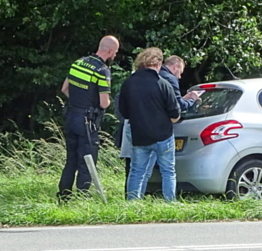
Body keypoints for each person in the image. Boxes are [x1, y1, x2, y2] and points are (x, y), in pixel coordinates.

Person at [58, 36, 119, 200]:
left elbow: (65, 89)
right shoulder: (102, 70)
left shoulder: (78, 63)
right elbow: (104, 103)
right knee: (87, 160)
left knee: (71, 159)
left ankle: (64, 197)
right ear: (111, 51)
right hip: (87, 121)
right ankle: (82, 198)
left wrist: (78, 102)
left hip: (71, 116)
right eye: (116, 52)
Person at [119, 47, 181, 201]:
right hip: (163, 136)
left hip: (139, 136)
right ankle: (170, 203)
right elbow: (175, 114)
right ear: (158, 64)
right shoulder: (163, 84)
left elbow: (124, 112)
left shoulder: (128, 83)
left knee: (137, 171)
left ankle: (132, 205)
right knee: (168, 171)